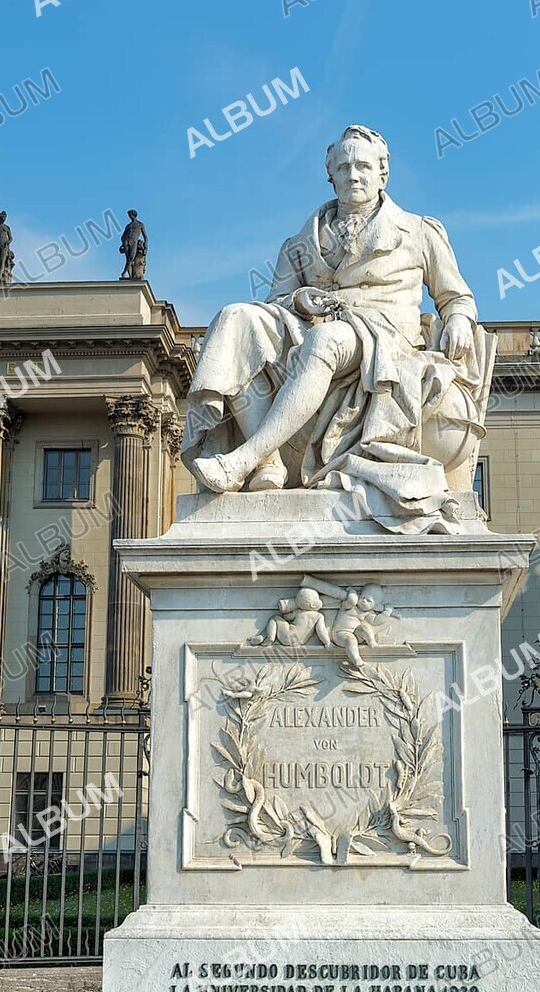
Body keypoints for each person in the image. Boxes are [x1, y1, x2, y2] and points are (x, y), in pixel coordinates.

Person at [182, 125, 490, 534]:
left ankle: (242, 459)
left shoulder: (418, 231)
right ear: (331, 175)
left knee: (328, 340)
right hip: (314, 325)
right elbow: (277, 301)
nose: (353, 175)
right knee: (236, 319)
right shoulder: (301, 241)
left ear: (383, 173)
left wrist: (457, 320)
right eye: (343, 167)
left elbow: (457, 296)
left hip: (384, 337)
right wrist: (298, 301)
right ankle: (268, 463)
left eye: (363, 166)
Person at [249, 587, 331, 648]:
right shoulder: (318, 616)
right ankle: (266, 637)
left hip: (287, 636)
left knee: (275, 618)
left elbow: (286, 617)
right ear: (313, 605)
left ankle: (268, 637)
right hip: (300, 641)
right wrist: (327, 643)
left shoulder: (299, 612)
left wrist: (292, 608)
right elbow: (321, 630)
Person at [119, 210, 148, 279]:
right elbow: (123, 236)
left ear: (133, 215)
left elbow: (145, 236)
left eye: (130, 215)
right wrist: (122, 245)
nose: (129, 216)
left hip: (134, 241)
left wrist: (146, 246)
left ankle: (124, 272)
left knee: (131, 257)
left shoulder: (140, 224)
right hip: (127, 242)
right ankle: (130, 276)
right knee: (128, 259)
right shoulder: (128, 226)